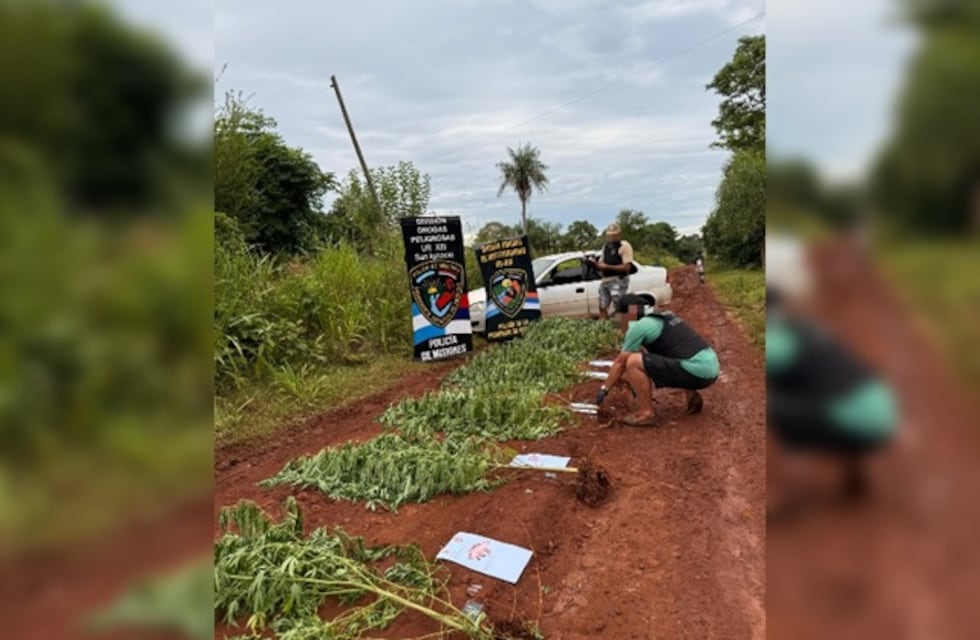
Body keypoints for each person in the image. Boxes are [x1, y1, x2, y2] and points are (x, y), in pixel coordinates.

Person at [766, 286, 899, 500]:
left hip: (850, 416)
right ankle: (853, 470)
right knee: (815, 393)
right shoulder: (813, 329)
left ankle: (775, 490)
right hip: (882, 411)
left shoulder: (779, 342)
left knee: (771, 407)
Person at [596, 294, 720, 426]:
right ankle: (691, 395)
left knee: (633, 361)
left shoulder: (639, 326)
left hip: (697, 372)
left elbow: (620, 362)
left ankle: (646, 413)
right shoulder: (664, 314)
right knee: (673, 352)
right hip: (711, 368)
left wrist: (605, 388)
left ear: (629, 314)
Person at [590, 223, 634, 320]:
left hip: (618, 279)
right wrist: (594, 264)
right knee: (602, 305)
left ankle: (621, 325)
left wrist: (607, 267)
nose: (612, 237)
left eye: (614, 235)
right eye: (610, 235)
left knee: (619, 305)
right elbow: (601, 263)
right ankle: (604, 325)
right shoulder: (606, 246)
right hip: (605, 280)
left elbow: (627, 267)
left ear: (619, 234)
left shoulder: (624, 246)